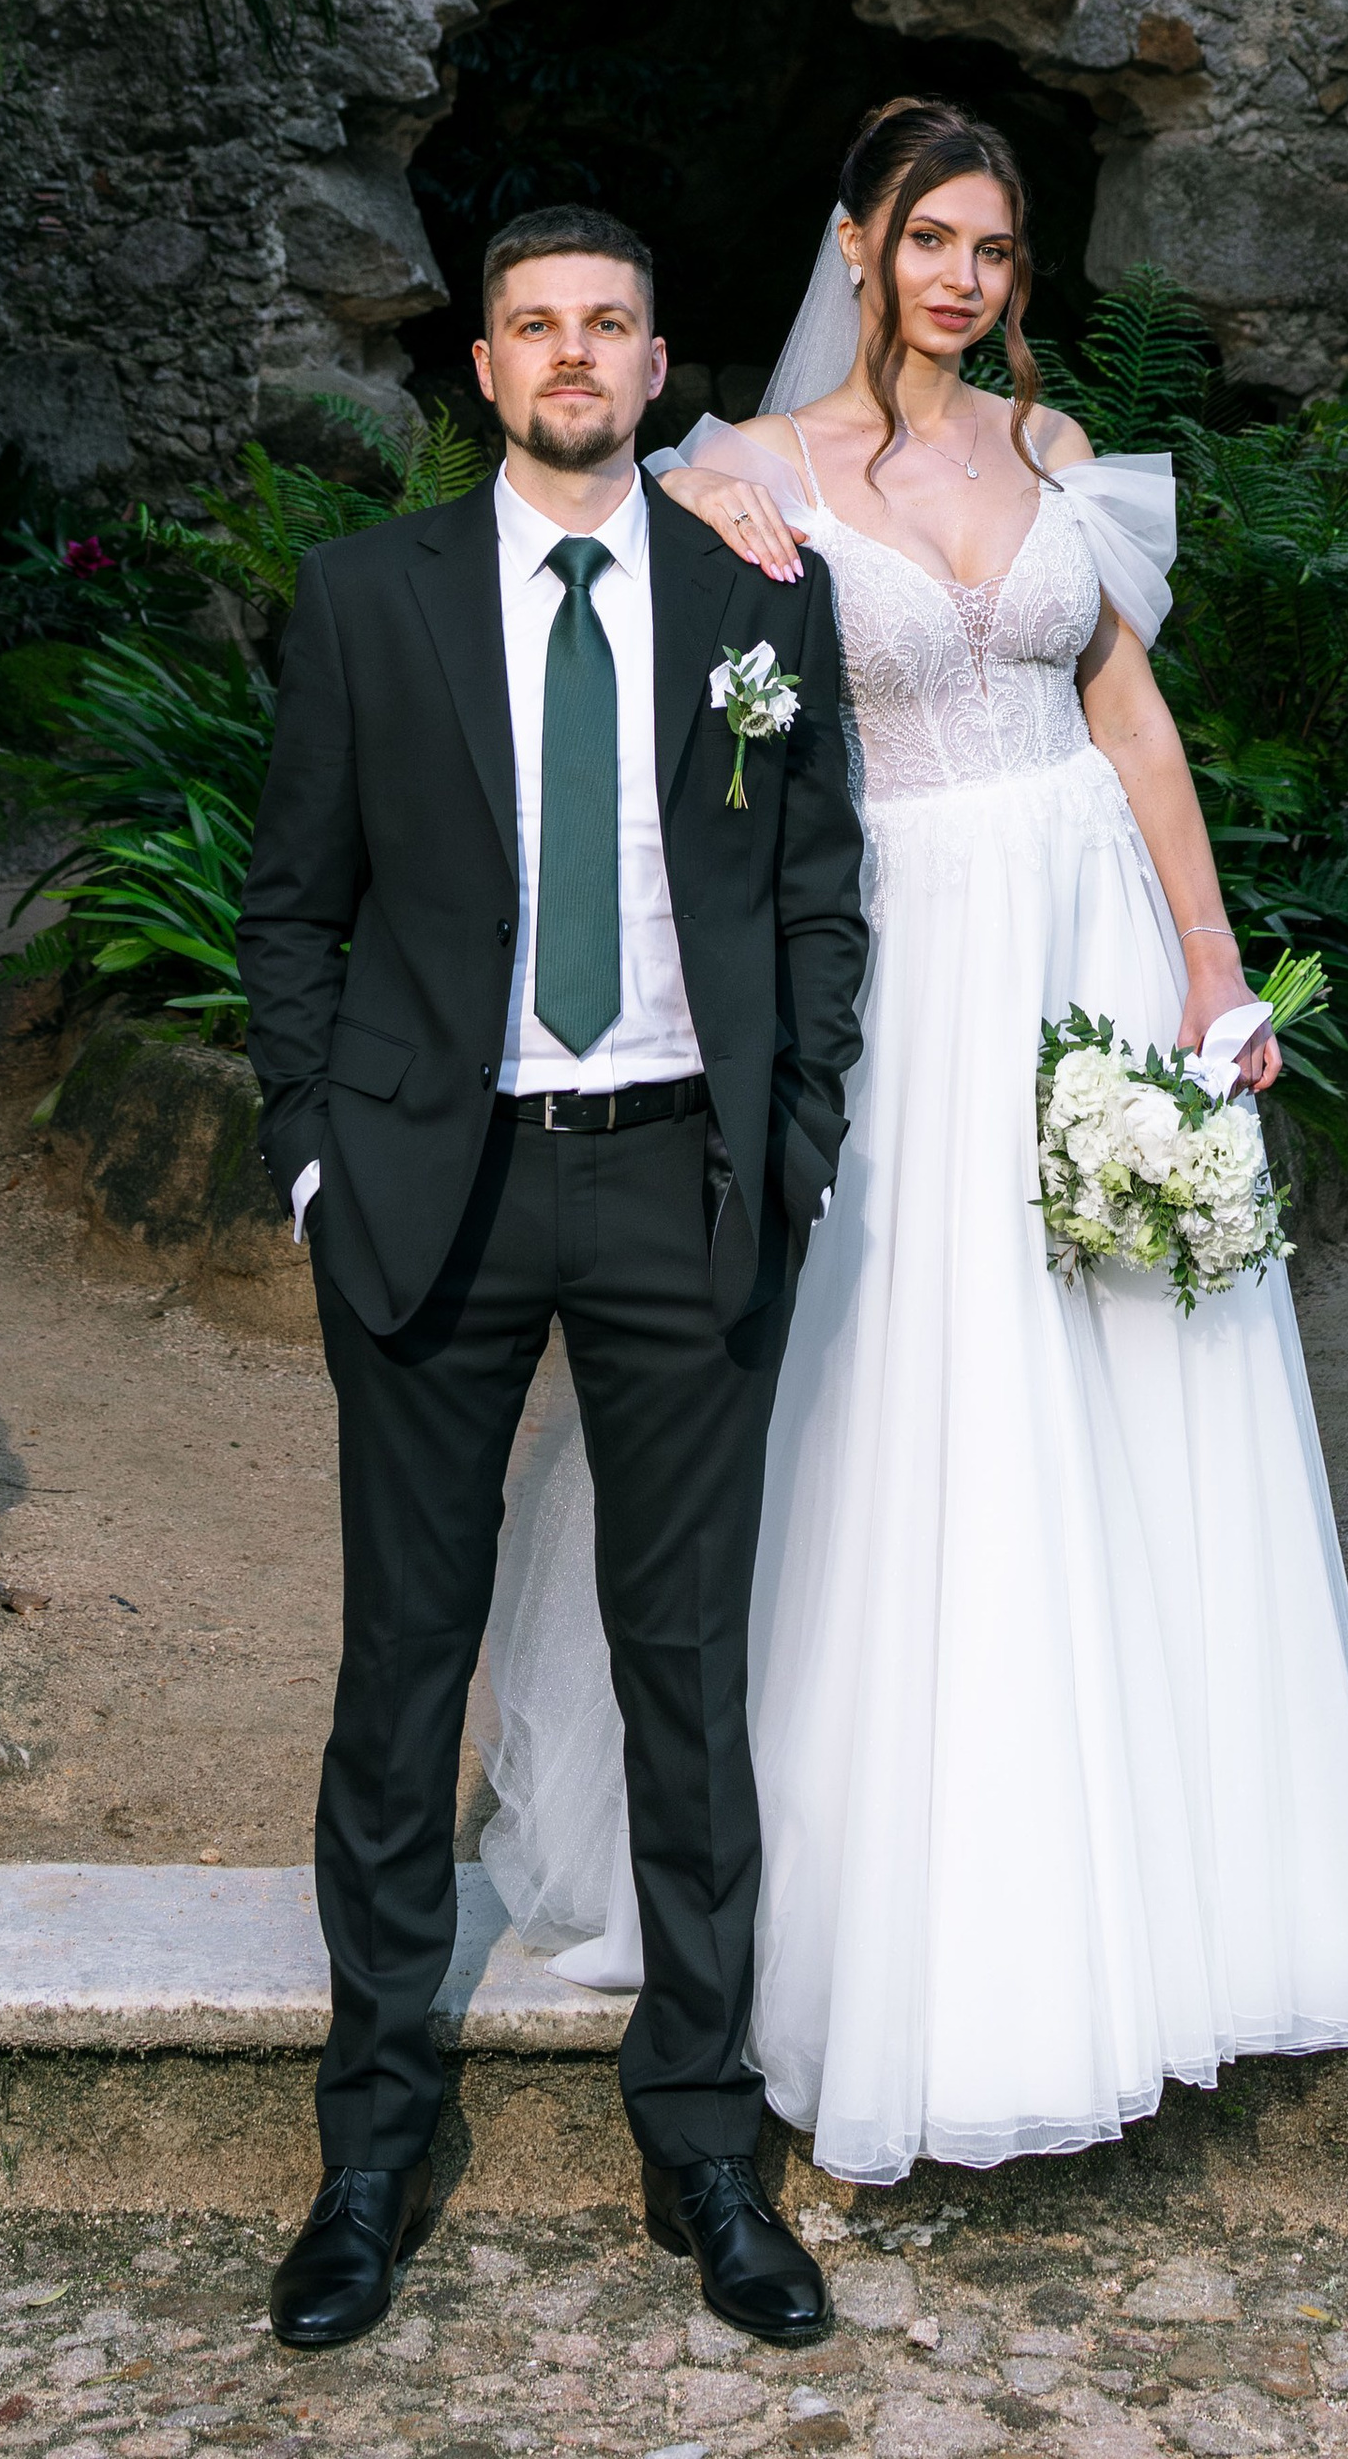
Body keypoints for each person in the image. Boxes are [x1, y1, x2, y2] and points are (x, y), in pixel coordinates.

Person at [477, 100, 1348, 2188]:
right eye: (926, 235)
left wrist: (1210, 978)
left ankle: (1170, 1883)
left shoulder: (1054, 466)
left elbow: (1130, 720)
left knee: (1136, 1380)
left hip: (1088, 948)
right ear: (852, 244)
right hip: (897, 964)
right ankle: (905, 1928)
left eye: (991, 246)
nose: (959, 273)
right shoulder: (737, 481)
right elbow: (642, 703)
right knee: (898, 1394)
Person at [239, 207, 868, 2345]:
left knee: (681, 1672)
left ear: (660, 354)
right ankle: (370, 2139)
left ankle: (701, 2133)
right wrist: (316, 1161)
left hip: (683, 1175)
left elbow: (813, 885)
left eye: (607, 322)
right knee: (399, 1672)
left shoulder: (753, 586)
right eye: (535, 326)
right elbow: (288, 909)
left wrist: (791, 1147)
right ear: (484, 366)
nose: (572, 353)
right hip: (437, 1184)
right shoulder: (364, 598)